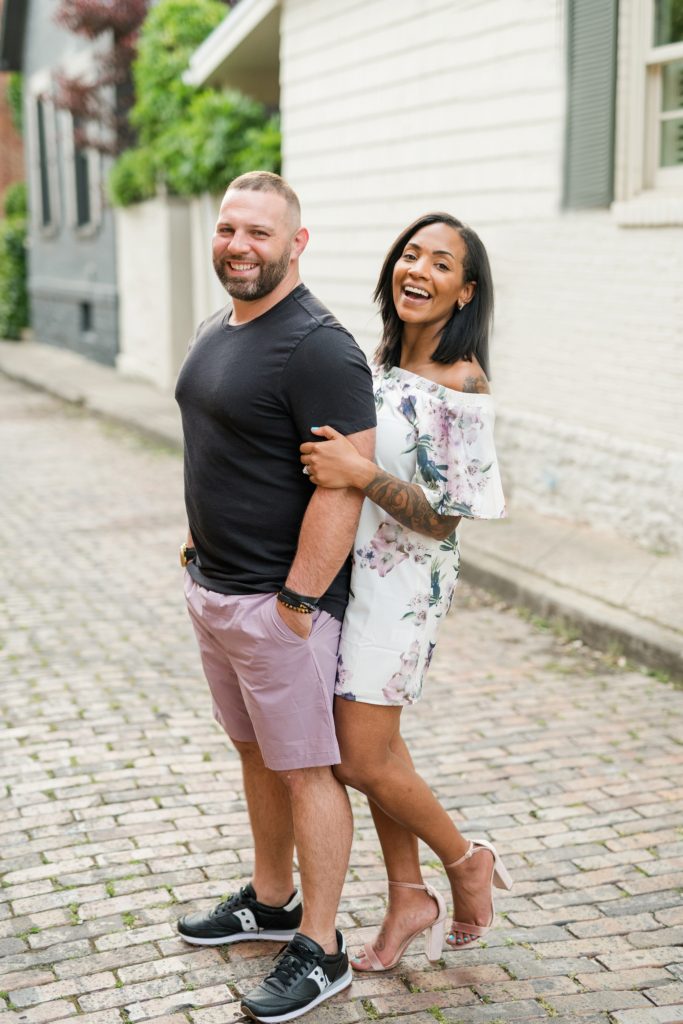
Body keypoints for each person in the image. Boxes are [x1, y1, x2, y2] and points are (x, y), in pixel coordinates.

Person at [174, 171, 376, 1022]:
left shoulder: (318, 347)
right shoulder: (219, 325)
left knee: (305, 770)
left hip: (277, 606)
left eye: (259, 232)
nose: (238, 246)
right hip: (217, 591)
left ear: (296, 243)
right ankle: (270, 899)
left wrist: (297, 601)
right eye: (229, 229)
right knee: (256, 753)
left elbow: (345, 482)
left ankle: (321, 947)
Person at [299, 212, 512, 972]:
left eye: (441, 263)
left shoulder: (462, 384)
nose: (418, 270)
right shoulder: (383, 362)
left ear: (465, 292)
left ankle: (465, 861)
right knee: (377, 747)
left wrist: (359, 474)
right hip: (352, 577)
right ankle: (406, 898)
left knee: (359, 759)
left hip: (401, 590)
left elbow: (445, 519)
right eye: (410, 255)